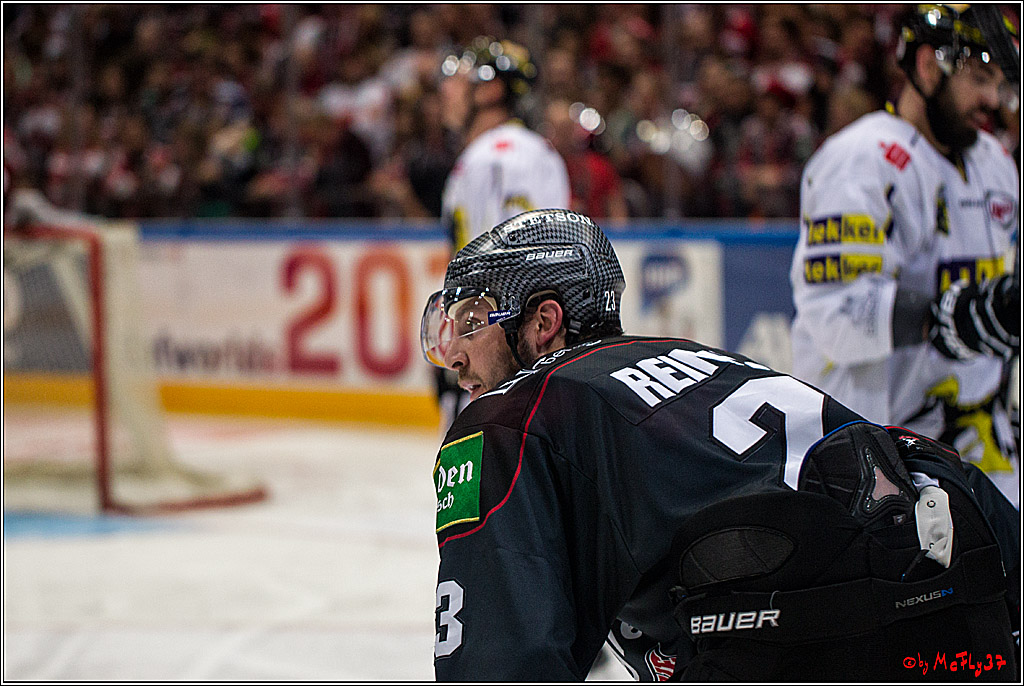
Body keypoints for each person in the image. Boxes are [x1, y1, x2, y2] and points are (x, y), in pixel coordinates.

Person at [420, 208, 1019, 681]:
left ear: (543, 322)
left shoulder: (511, 417)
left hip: (823, 645)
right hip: (970, 604)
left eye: (471, 321)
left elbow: (502, 662)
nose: (455, 356)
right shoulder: (701, 359)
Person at [789, 4, 1021, 506]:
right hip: (875, 457)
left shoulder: (995, 163)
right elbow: (836, 312)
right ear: (927, 66)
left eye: (999, 84)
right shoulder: (862, 159)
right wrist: (956, 317)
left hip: (975, 447)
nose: (992, 100)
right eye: (980, 78)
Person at [434, 36, 571, 431]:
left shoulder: (498, 156)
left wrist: (478, 347)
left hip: (502, 359)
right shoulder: (523, 151)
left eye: (459, 79)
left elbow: (510, 267)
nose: (446, 90)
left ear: (490, 90)